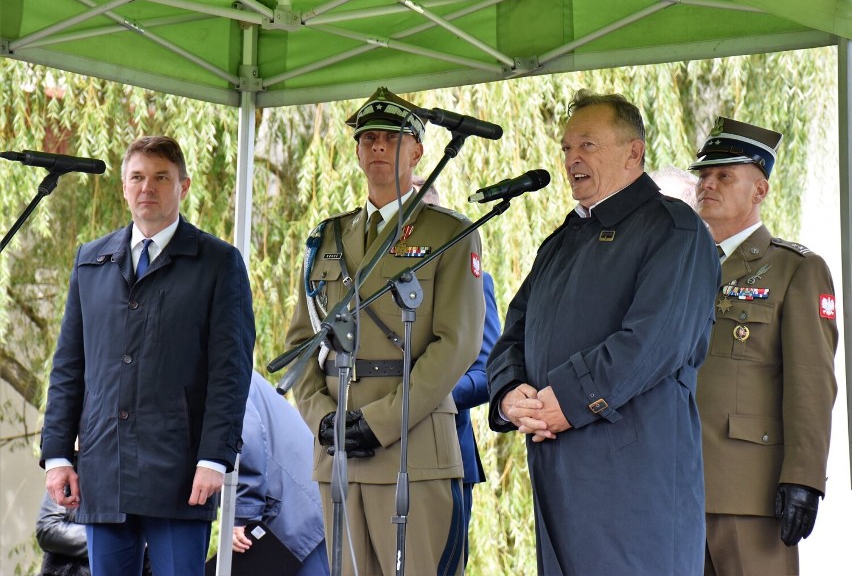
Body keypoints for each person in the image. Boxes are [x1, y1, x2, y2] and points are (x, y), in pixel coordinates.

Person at [487, 89, 720, 575]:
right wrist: (510, 395)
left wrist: (566, 401)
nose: (573, 158)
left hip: (632, 492)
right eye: (567, 148)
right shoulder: (562, 241)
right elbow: (514, 333)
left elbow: (650, 344)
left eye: (588, 145)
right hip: (560, 479)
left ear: (633, 152)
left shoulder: (673, 230)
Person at [284, 87, 485, 575]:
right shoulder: (327, 237)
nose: (377, 147)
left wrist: (380, 423)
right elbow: (300, 344)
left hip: (412, 450)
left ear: (417, 152)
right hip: (338, 452)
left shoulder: (450, 234)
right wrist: (321, 417)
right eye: (368, 138)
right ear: (355, 151)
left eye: (392, 139)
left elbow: (457, 344)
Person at [40, 135, 256, 576]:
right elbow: (68, 368)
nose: (147, 188)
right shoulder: (90, 261)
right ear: (123, 186)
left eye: (161, 177)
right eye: (137, 177)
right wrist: (59, 454)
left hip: (180, 475)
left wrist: (215, 458)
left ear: (184, 186)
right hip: (104, 469)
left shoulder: (218, 263)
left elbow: (230, 372)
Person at [688, 117, 838, 575]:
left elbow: (811, 385)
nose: (707, 185)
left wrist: (803, 480)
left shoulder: (795, 269)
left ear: (760, 191)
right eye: (704, 175)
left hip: (750, 491)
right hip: (676, 484)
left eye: (724, 176)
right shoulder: (679, 266)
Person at [415, 176, 502, 566]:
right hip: (376, 458)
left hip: (447, 455)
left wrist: (428, 398)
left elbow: (489, 374)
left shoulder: (476, 282)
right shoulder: (368, 284)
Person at [230, 370, 329, 575]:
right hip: (304, 497)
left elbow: (247, 441)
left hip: (299, 510)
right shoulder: (229, 362)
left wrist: (241, 517)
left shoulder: (219, 370)